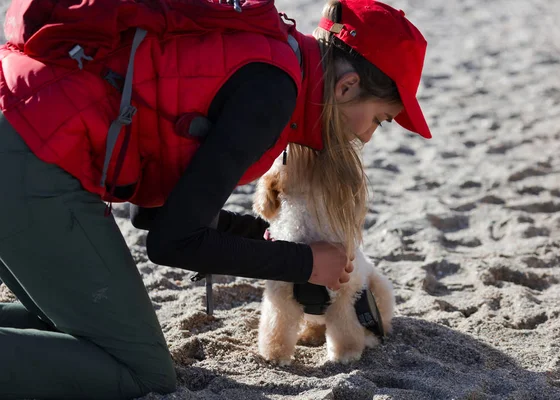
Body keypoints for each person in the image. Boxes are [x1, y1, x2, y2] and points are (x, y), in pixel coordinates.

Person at [0, 0, 431, 398]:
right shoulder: (273, 92)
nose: (367, 136)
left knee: (66, 328)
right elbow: (173, 242)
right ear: (347, 87)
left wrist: (279, 240)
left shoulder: (270, 56)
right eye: (380, 119)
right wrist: (305, 264)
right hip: (35, 153)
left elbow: (154, 212)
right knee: (140, 370)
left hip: (22, 125)